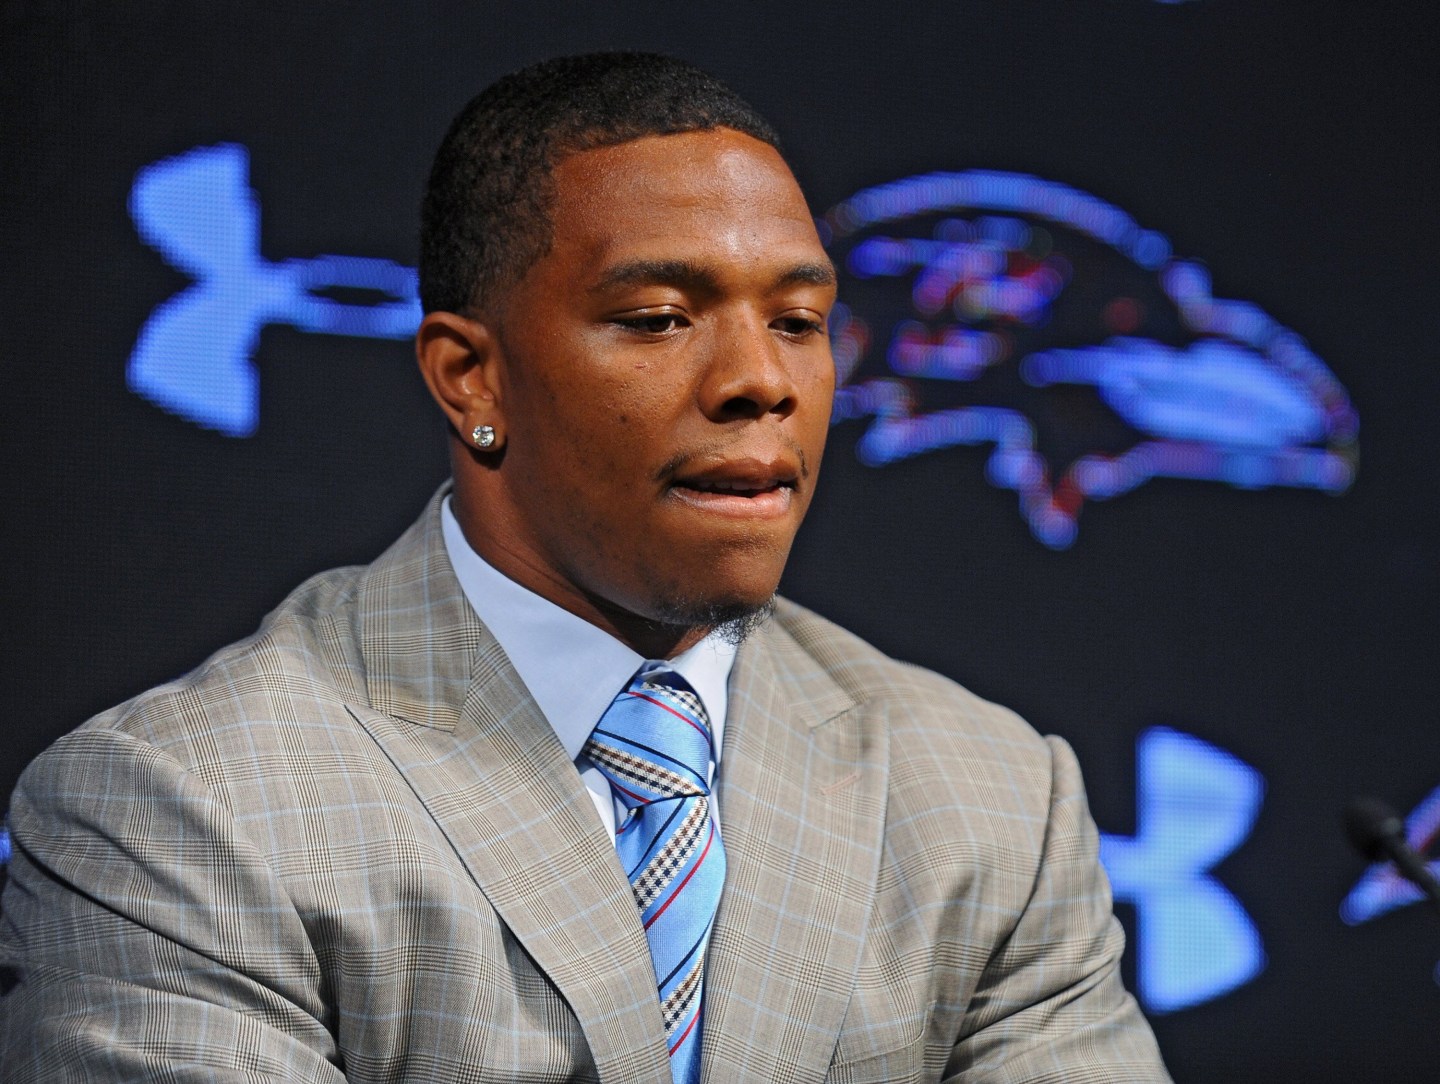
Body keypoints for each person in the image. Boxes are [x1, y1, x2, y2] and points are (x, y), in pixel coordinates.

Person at [0, 53, 1170, 1082]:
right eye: (660, 317)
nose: (760, 381)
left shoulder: (993, 797)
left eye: (799, 321)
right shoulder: (178, 808)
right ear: (472, 377)